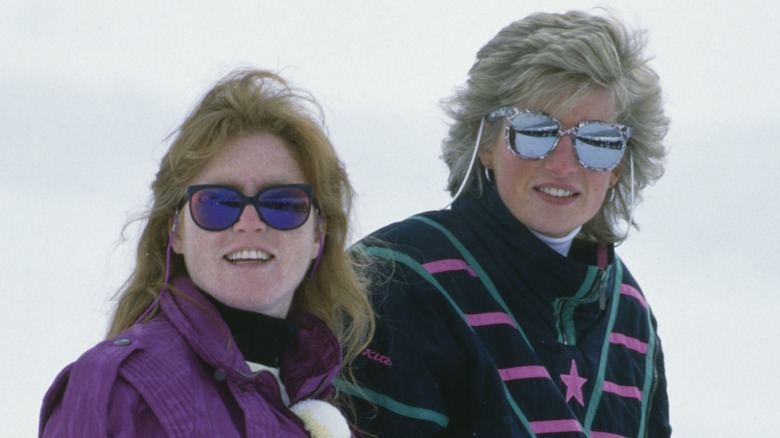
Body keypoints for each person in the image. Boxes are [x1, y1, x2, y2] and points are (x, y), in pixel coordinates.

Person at [340, 10, 671, 437]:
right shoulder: (397, 280)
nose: (563, 163)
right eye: (535, 131)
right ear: (485, 144)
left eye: (598, 140)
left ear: (619, 166)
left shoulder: (627, 311)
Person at [39, 69, 374, 437]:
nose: (250, 222)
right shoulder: (121, 392)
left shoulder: (319, 410)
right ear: (176, 230)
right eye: (218, 202)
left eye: (282, 203)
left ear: (317, 235)